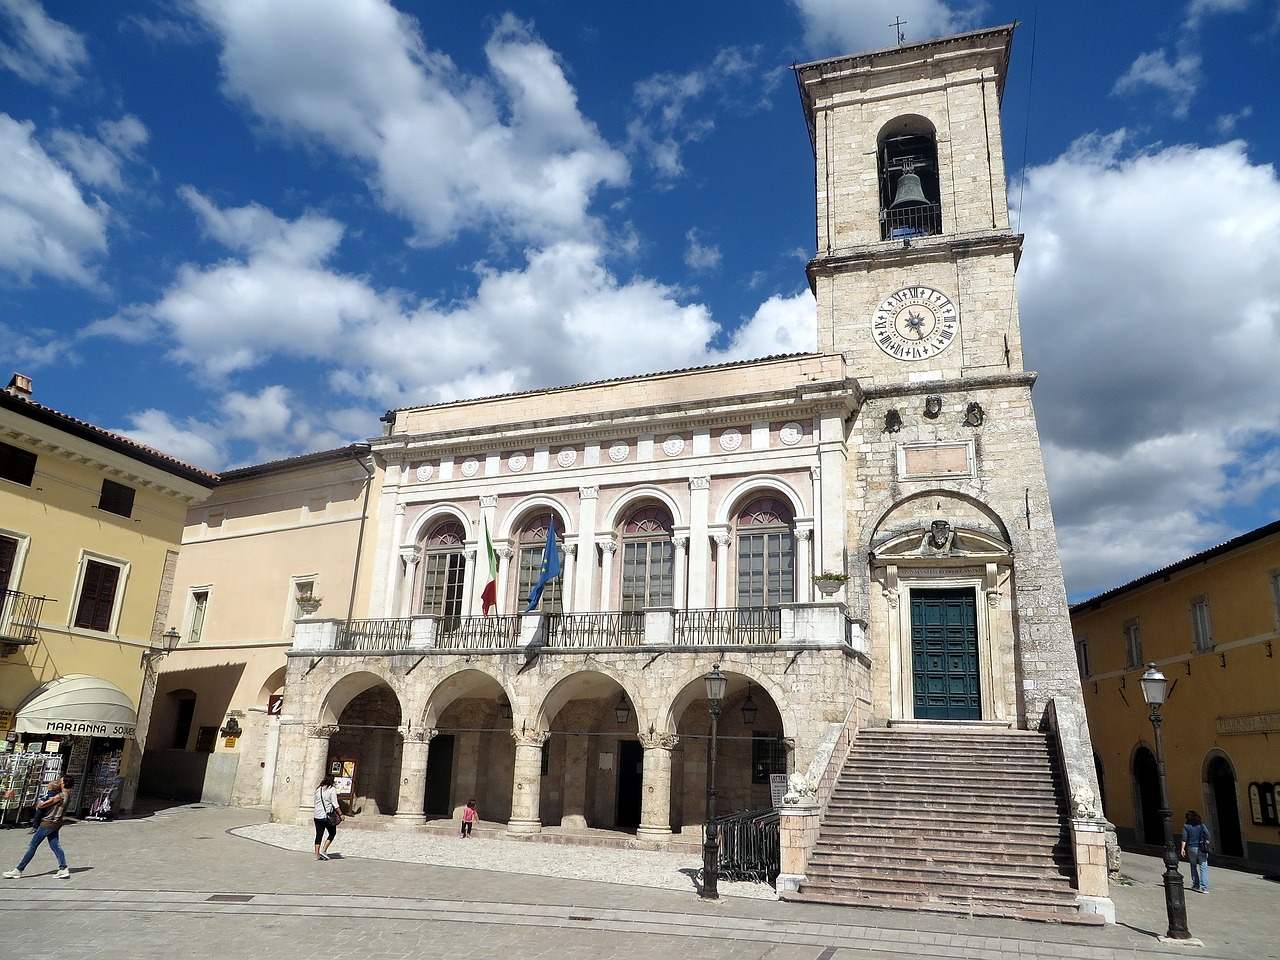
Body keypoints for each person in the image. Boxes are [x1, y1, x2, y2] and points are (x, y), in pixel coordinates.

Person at [4, 774, 74, 879]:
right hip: (57, 822)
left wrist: (41, 803)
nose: (59, 783)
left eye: (61, 781)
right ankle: (63, 868)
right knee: (55, 845)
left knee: (33, 845)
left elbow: (43, 805)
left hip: (48, 823)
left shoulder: (60, 796)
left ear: (64, 783)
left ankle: (19, 870)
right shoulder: (68, 794)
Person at [1180, 810, 1212, 893]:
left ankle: (1196, 885)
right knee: (1203, 867)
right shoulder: (1201, 826)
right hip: (1202, 848)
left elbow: (1184, 838)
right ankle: (1204, 888)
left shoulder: (1186, 826)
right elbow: (1207, 834)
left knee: (1193, 866)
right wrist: (1206, 842)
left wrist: (1182, 849)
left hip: (1192, 848)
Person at [313, 776, 343, 861]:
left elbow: (315, 801)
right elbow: (335, 803)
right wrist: (341, 814)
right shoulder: (331, 789)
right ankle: (324, 850)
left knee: (319, 834)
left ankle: (316, 855)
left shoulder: (318, 789)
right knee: (332, 832)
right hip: (326, 816)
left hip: (317, 815)